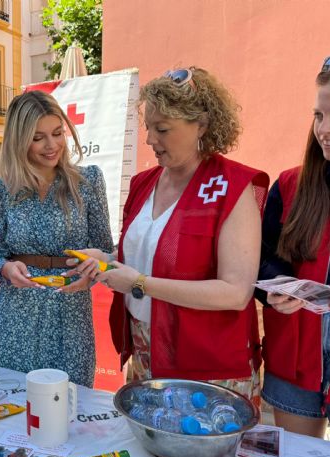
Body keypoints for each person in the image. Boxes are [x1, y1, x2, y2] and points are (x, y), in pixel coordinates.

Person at [71, 68, 269, 401]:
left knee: (204, 452)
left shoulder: (232, 187)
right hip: (146, 353)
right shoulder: (143, 184)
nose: (150, 139)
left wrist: (139, 284)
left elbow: (236, 292)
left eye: (162, 129)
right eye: (148, 127)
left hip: (206, 367)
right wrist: (105, 262)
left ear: (201, 125)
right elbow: (145, 258)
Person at [258, 56, 330, 446]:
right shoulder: (291, 185)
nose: (324, 128)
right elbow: (265, 259)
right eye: (318, 115)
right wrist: (274, 289)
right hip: (295, 363)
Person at [0, 90, 114, 388]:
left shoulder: (88, 180)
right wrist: (5, 269)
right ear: (19, 139)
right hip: (17, 312)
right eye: (38, 137)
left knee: (71, 400)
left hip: (70, 309)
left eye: (57, 133)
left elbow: (107, 251)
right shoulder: (3, 189)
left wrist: (93, 272)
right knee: (14, 398)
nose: (51, 145)